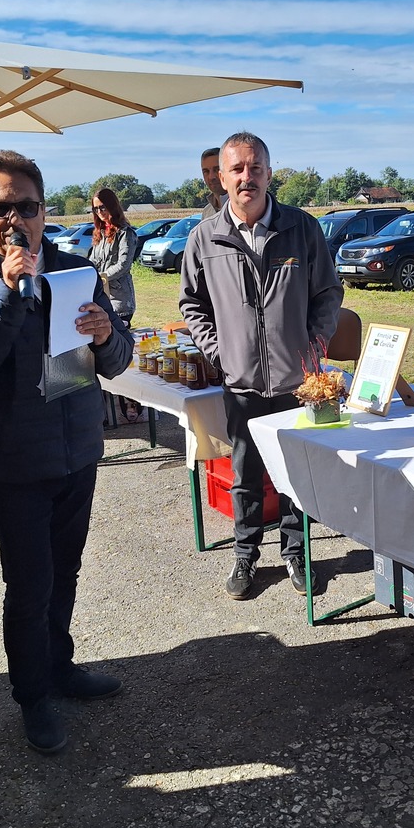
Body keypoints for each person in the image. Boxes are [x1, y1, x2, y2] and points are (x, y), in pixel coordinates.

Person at [0, 150, 133, 754]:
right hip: (14, 458)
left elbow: (116, 362)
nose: (14, 219)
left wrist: (107, 336)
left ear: (44, 212)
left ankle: (59, 666)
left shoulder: (76, 269)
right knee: (29, 582)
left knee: (65, 570)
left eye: (26, 206)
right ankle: (32, 696)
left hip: (77, 448)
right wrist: (8, 290)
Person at [179, 132, 342, 600]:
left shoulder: (302, 228)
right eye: (237, 169)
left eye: (255, 168)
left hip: (297, 382)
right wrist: (220, 353)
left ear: (269, 173)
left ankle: (296, 552)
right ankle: (245, 554)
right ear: (221, 178)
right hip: (242, 383)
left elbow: (328, 293)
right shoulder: (204, 238)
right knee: (246, 475)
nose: (246, 177)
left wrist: (314, 346)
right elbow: (192, 304)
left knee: (294, 473)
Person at [89, 187, 142, 422]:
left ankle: (130, 407)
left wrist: (100, 277)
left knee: (120, 353)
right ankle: (112, 410)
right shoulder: (99, 234)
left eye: (103, 207)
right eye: (95, 208)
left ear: (112, 206)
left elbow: (123, 265)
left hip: (120, 302)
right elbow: (91, 262)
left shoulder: (126, 233)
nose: (100, 212)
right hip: (101, 299)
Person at [200, 147, 226, 219]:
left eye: (217, 169)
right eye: (206, 171)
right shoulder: (207, 212)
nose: (211, 177)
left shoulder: (242, 207)